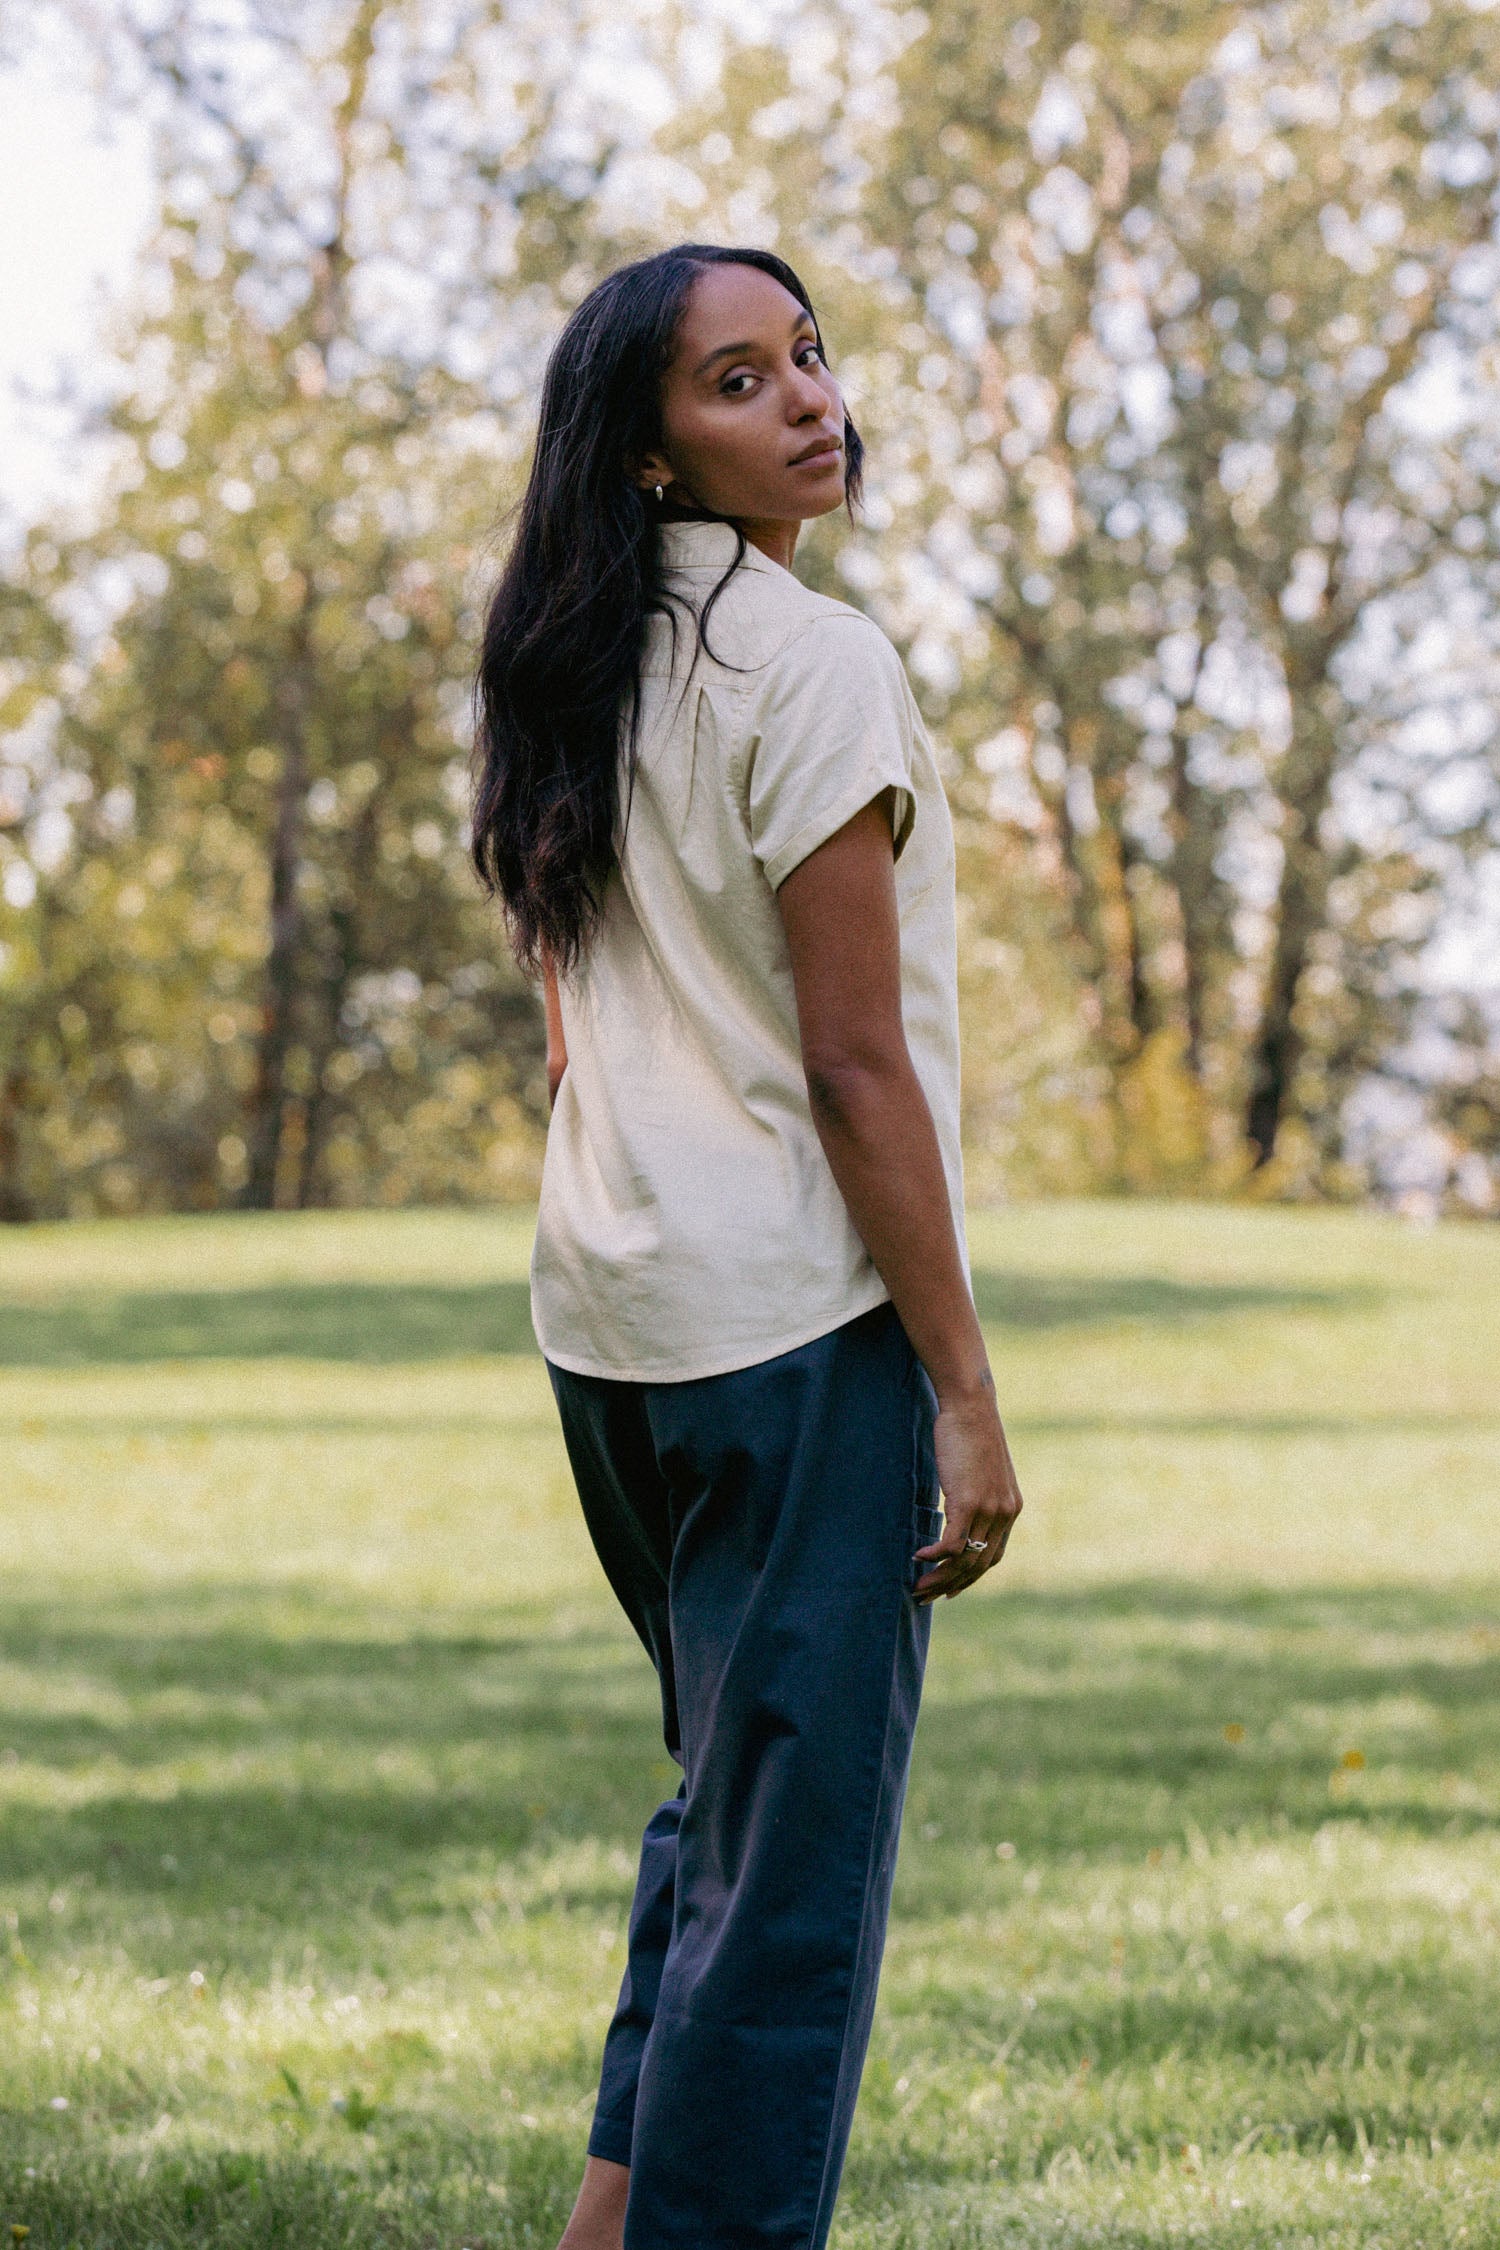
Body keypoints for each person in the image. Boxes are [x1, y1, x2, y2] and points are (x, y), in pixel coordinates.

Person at [472, 242, 1025, 2250]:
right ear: (645, 454)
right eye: (735, 380)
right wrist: (965, 1392)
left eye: (807, 356)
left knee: (722, 1818)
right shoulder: (816, 663)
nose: (806, 399)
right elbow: (860, 1069)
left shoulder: (570, 667)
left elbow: (564, 1021)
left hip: (611, 1332)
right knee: (787, 1898)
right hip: (794, 1337)